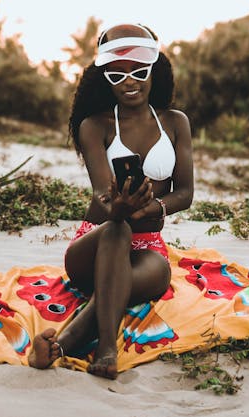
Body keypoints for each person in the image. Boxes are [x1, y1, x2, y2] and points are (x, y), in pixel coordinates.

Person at [28, 23, 194, 379]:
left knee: (158, 275)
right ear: (104, 76)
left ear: (155, 70)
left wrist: (156, 208)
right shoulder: (94, 125)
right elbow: (102, 199)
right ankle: (106, 349)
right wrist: (118, 210)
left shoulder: (176, 122)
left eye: (139, 71)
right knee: (118, 229)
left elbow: (185, 193)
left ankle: (63, 344)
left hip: (148, 246)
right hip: (97, 240)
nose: (129, 81)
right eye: (117, 74)